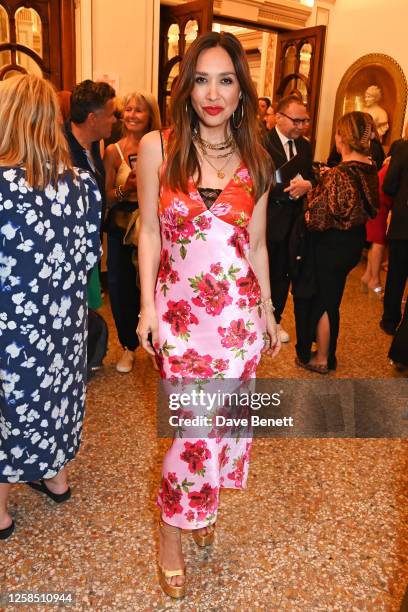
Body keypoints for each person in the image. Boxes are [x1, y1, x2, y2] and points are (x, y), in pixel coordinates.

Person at [136, 31, 280, 598]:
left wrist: (268, 312)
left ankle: (203, 503)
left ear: (241, 91)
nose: (213, 93)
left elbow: (259, 244)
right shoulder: (158, 147)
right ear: (186, 87)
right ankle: (173, 532)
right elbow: (149, 230)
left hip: (237, 321)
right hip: (179, 319)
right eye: (201, 79)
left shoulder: (257, 160)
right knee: (189, 433)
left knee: (219, 429)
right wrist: (147, 307)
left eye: (225, 80)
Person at [0, 74, 101, 539]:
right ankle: (55, 476)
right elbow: (87, 259)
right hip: (62, 322)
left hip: (11, 329)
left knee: (8, 405)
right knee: (55, 396)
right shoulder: (82, 184)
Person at [294, 111, 379, 373]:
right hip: (353, 242)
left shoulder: (339, 174)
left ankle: (322, 359)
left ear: (341, 137)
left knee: (324, 300)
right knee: (333, 297)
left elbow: (317, 220)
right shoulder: (370, 167)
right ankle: (327, 352)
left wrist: (311, 197)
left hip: (331, 244)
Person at [104, 92, 161, 373]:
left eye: (139, 111)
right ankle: (128, 347)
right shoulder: (113, 150)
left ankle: (156, 345)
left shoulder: (164, 146)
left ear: (151, 115)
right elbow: (107, 197)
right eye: (128, 110)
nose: (132, 115)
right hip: (121, 229)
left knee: (153, 289)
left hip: (154, 226)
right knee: (120, 288)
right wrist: (125, 188)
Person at [264, 95, 315, 343]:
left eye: (304, 121)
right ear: (279, 117)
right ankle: (255, 321)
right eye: (296, 120)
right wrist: (286, 189)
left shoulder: (305, 147)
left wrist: (307, 185)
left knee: (285, 272)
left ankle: (276, 319)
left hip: (294, 222)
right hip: (266, 220)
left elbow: (310, 177)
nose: (300, 126)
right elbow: (252, 182)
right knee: (263, 272)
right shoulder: (261, 143)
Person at [65, 79, 116, 310]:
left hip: (91, 248)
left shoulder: (95, 144)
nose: (115, 120)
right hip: (69, 255)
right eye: (111, 114)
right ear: (92, 119)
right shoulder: (59, 149)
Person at [380, 138, 408, 335]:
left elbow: (389, 185)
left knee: (396, 274)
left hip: (403, 220)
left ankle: (390, 320)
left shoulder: (403, 148)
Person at [361, 160, 393, 294]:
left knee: (377, 238)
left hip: (379, 195)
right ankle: (374, 281)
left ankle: (367, 276)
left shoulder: (396, 156)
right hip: (381, 198)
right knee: (379, 239)